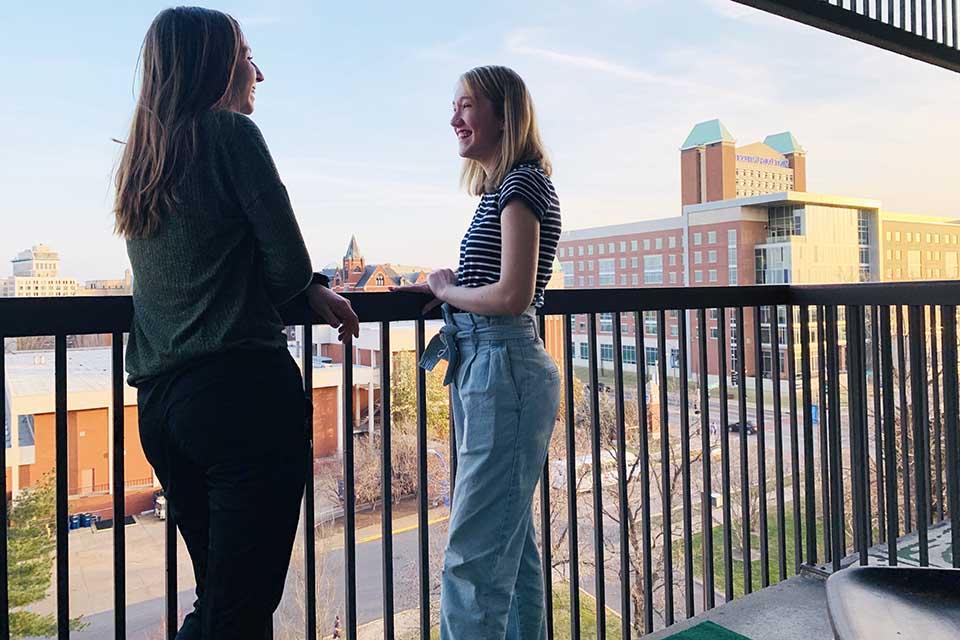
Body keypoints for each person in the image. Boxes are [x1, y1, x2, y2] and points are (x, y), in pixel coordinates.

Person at [114, 8, 358, 638]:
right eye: (247, 55)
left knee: (221, 599)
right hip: (241, 400)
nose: (259, 72)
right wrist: (306, 289)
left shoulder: (144, 160)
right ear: (216, 65)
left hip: (164, 409)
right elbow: (287, 268)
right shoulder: (230, 136)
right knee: (240, 610)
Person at [393, 65, 562, 640]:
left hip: (504, 368)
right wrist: (444, 286)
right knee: (511, 548)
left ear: (503, 115)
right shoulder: (504, 189)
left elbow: (514, 294)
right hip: (489, 366)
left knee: (471, 557)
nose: (454, 118)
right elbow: (496, 283)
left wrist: (446, 291)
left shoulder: (522, 185)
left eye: (467, 105)